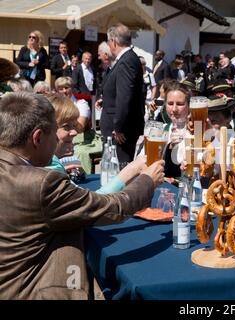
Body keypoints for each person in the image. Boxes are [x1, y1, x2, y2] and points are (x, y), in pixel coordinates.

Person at [0, 92, 165, 299]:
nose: (74, 134)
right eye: (57, 131)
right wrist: (148, 180)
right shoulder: (42, 183)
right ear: (38, 137)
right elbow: (113, 208)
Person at [45, 94, 147, 192]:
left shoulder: (51, 162)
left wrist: (61, 170)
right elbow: (89, 204)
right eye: (66, 127)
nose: (75, 132)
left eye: (74, 126)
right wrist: (131, 170)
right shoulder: (49, 175)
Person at [100, 23, 146, 163]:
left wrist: (118, 127)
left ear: (113, 41)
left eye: (108, 42)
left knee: (118, 171)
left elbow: (125, 97)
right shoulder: (127, 59)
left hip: (120, 132)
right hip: (118, 127)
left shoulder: (127, 61)